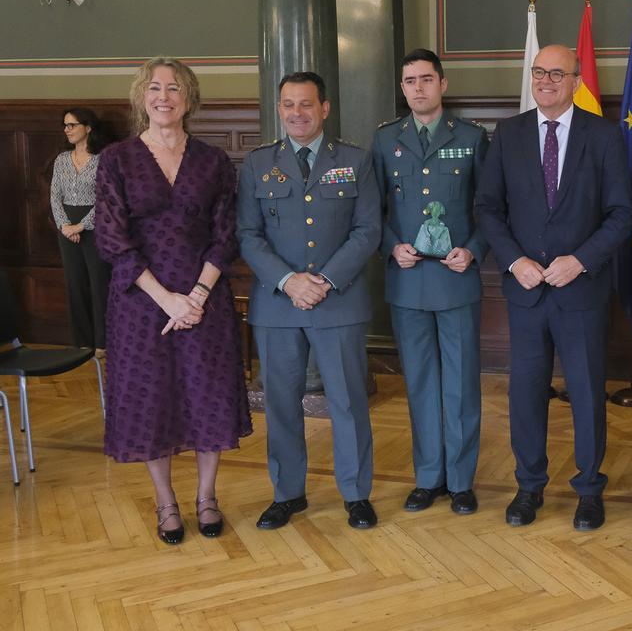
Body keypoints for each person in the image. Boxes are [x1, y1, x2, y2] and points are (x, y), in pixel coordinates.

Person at [476, 44, 632, 531]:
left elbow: (621, 214)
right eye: (538, 72)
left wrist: (582, 261)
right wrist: (514, 259)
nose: (545, 80)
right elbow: (487, 208)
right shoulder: (508, 133)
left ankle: (589, 489)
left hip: (581, 291)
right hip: (525, 289)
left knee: (586, 392)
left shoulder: (603, 136)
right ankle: (529, 486)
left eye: (556, 73)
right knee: (525, 393)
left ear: (575, 79)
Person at [94, 58, 250, 544]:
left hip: (205, 301)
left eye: (175, 88)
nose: (164, 96)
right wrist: (168, 301)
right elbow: (111, 239)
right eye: (156, 87)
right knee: (150, 400)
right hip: (141, 303)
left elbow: (226, 236)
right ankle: (166, 502)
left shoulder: (213, 161)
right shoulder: (116, 159)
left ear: (189, 98)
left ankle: (207, 497)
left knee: (209, 395)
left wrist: (197, 296)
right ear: (143, 96)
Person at [237, 71, 382, 531]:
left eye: (306, 104)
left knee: (348, 402)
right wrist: (288, 281)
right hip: (278, 306)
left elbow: (368, 231)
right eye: (288, 105)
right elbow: (247, 234)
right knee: (280, 402)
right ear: (279, 109)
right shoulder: (259, 163)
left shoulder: (356, 161)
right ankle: (287, 493)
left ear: (324, 108)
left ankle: (356, 494)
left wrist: (322, 280)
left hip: (337, 302)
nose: (296, 113)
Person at [372, 48, 490, 515]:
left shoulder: (473, 138)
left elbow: (490, 209)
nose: (417, 88)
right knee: (419, 381)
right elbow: (371, 211)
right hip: (407, 281)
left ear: (443, 84)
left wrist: (475, 250)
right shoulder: (385, 140)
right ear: (402, 89)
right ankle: (428, 477)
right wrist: (390, 245)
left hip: (457, 279)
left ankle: (461, 480)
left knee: (460, 384)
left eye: (425, 79)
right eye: (409, 81)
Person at [51, 107, 112, 354]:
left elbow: (106, 198)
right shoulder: (61, 159)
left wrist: (82, 225)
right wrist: (65, 225)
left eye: (72, 125)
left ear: (87, 128)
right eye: (65, 125)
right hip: (66, 226)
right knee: (74, 283)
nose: (67, 130)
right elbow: (55, 195)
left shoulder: (104, 159)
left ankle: (102, 343)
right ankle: (82, 342)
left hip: (95, 225)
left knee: (99, 283)